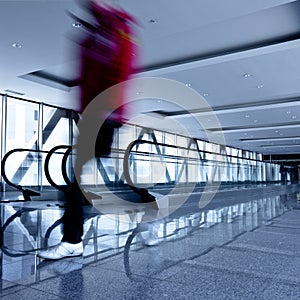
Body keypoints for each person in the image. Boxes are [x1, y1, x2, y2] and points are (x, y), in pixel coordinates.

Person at [38, 0, 158, 260]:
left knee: (78, 180)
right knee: (84, 179)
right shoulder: (97, 34)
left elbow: (119, 73)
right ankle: (147, 208)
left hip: (105, 116)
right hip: (92, 115)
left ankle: (73, 241)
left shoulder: (118, 32)